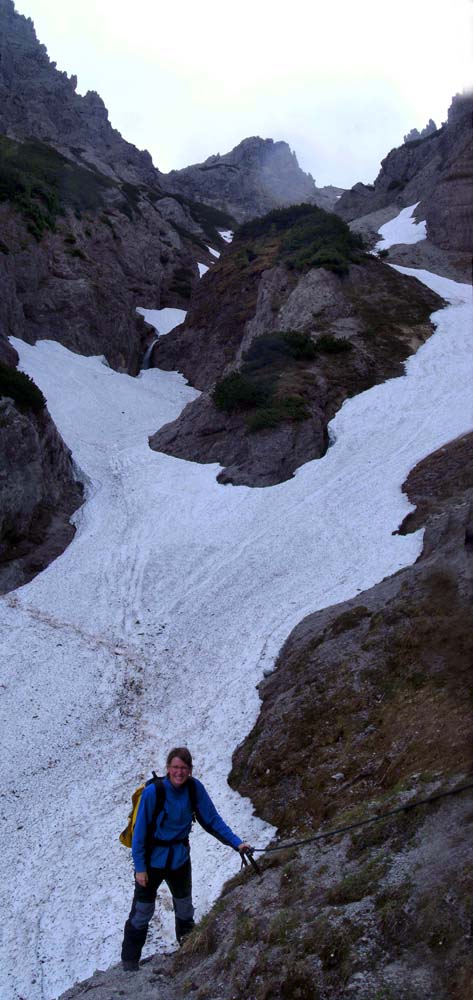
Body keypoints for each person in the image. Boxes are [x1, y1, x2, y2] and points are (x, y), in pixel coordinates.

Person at [121, 746, 252, 971]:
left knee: (184, 909)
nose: (179, 772)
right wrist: (140, 868)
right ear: (168, 768)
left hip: (179, 860)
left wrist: (237, 843)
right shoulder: (154, 793)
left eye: (183, 768)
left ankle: (187, 957)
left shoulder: (194, 789)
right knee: (143, 911)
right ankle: (129, 965)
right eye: (175, 767)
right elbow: (140, 833)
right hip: (152, 862)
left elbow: (212, 820)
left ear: (190, 770)